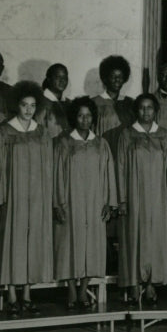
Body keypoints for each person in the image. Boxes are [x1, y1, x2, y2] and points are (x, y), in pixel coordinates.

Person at [0, 81, 54, 317]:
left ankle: (27, 295)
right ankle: (12, 295)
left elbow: (48, 170)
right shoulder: (5, 132)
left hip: (37, 198)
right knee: (13, 245)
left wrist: (48, 200)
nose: (28, 110)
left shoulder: (42, 133)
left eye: (33, 105)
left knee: (32, 245)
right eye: (24, 105)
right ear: (16, 105)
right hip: (13, 198)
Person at [53, 97, 116, 309]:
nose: (84, 119)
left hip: (95, 202)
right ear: (74, 118)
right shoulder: (63, 143)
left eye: (88, 116)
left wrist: (109, 202)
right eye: (80, 115)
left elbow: (108, 175)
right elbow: (57, 176)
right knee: (70, 244)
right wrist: (58, 203)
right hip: (72, 202)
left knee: (91, 245)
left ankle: (84, 289)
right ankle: (71, 290)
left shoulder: (101, 144)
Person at [115, 93, 167, 308]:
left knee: (154, 239)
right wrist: (121, 199)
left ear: (156, 110)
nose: (146, 112)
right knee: (134, 238)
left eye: (150, 108)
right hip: (134, 195)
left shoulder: (166, 136)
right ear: (136, 111)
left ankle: (151, 283)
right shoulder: (127, 135)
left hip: (158, 197)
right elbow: (120, 167)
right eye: (142, 108)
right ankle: (133, 285)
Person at [95, 55, 136, 151]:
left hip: (125, 153)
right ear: (105, 78)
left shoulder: (130, 103)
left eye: (120, 76)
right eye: (113, 76)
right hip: (101, 152)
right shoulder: (94, 103)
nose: (117, 80)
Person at [36, 63, 70, 138]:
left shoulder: (70, 103)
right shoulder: (39, 103)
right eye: (58, 77)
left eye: (65, 77)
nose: (62, 81)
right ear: (49, 79)